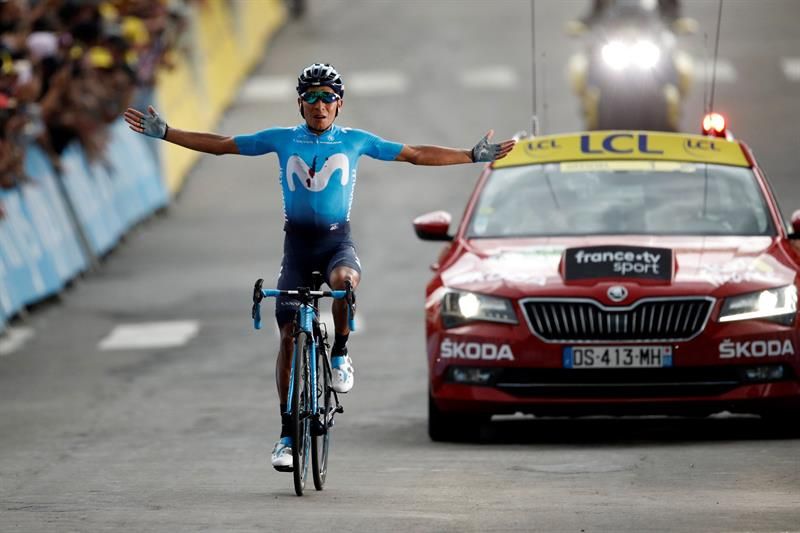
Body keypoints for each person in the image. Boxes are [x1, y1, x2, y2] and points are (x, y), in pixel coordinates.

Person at [123, 63, 515, 471]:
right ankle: (287, 436)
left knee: (345, 283)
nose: (319, 104)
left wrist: (471, 156)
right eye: (310, 96)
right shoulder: (280, 139)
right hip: (297, 249)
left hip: (335, 243)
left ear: (339, 104)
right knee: (289, 336)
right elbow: (222, 143)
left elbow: (414, 155)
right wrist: (167, 133)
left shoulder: (356, 141)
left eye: (327, 96)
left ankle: (341, 352)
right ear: (299, 103)